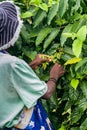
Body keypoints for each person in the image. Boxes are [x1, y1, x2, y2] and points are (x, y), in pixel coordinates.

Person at [0, 1, 65, 130]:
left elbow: (6, 79)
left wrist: (31, 65)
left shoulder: (7, 63)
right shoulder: (12, 63)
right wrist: (54, 76)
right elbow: (46, 93)